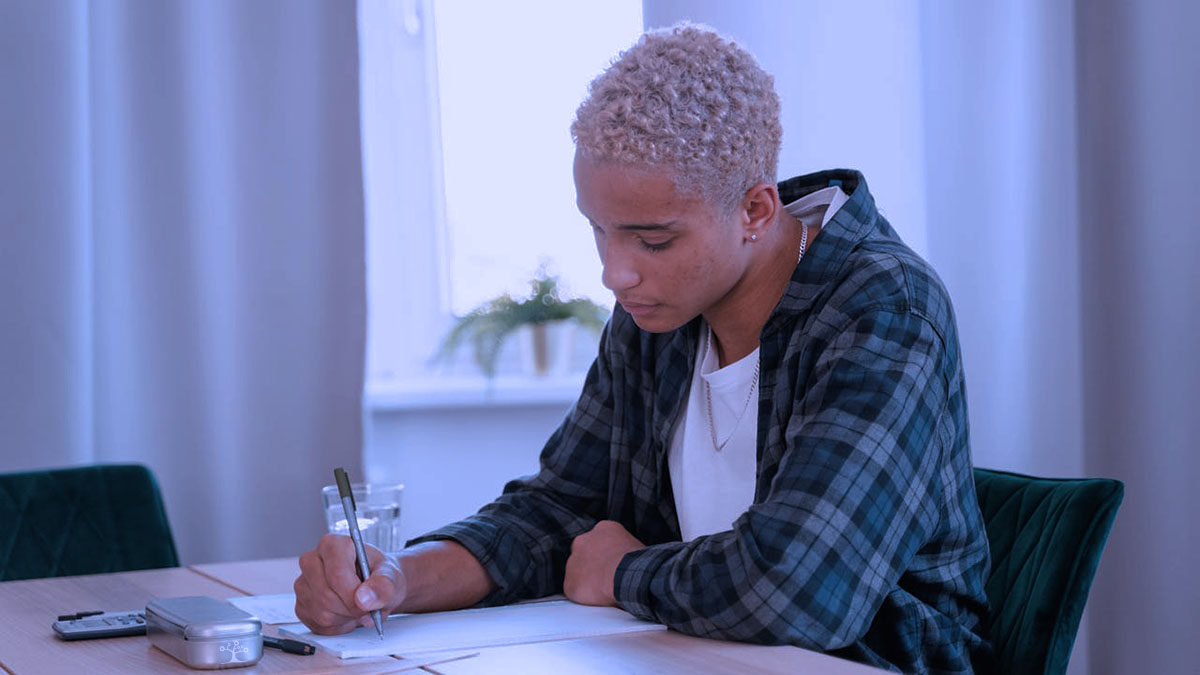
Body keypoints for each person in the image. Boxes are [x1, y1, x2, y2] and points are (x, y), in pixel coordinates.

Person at [295, 23, 993, 673]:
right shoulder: (658, 311)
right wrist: (395, 577)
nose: (615, 271)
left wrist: (623, 572)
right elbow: (558, 512)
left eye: (653, 240)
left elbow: (799, 589)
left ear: (755, 210)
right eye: (600, 230)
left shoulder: (884, 309)